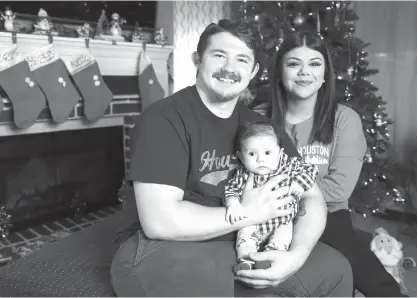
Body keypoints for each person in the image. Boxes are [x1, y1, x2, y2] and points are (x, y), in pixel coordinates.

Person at [110, 18, 353, 297]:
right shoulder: (163, 120)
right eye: (219, 55)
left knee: (336, 270)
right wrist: (251, 213)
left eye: (241, 59)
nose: (229, 68)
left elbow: (312, 197)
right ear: (197, 60)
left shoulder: (261, 128)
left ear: (253, 71)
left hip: (242, 238)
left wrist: (295, 255)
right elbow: (160, 221)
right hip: (162, 244)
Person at [268, 30, 404, 297]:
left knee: (351, 254)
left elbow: (339, 189)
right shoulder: (259, 119)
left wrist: (282, 190)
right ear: (280, 72)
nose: (304, 72)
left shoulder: (344, 119)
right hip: (268, 214)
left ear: (325, 75)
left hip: (328, 214)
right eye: (294, 63)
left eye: (314, 64)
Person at [223, 121, 318, 273]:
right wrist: (233, 204)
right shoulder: (243, 173)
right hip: (252, 220)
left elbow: (311, 169)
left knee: (282, 239)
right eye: (252, 154)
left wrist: (299, 183)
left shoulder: (288, 165)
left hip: (282, 220)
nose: (261, 159)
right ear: (240, 157)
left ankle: (268, 259)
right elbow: (231, 190)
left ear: (280, 153)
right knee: (244, 237)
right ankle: (245, 261)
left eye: (267, 153)